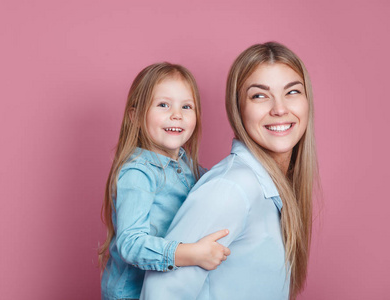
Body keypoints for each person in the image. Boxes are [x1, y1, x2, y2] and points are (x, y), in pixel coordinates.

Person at [141, 42, 319, 300]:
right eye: (259, 95)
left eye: (292, 92)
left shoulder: (268, 187)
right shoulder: (232, 188)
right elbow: (161, 293)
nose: (279, 109)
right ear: (238, 109)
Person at [99, 62, 231, 300]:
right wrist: (193, 254)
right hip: (133, 294)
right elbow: (131, 244)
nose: (177, 114)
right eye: (163, 105)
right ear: (135, 116)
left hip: (168, 288)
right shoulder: (138, 172)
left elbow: (214, 187)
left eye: (186, 106)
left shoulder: (185, 164)